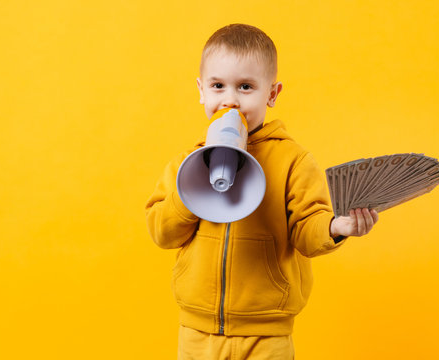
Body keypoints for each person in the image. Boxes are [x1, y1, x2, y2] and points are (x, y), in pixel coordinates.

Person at [145, 23, 379, 360]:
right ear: (201, 91)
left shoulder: (293, 160)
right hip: (197, 332)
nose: (230, 100)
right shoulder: (187, 163)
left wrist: (334, 227)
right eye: (217, 86)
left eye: (245, 87)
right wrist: (192, 186)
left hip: (266, 335)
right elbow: (161, 232)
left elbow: (306, 229)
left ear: (271, 94)